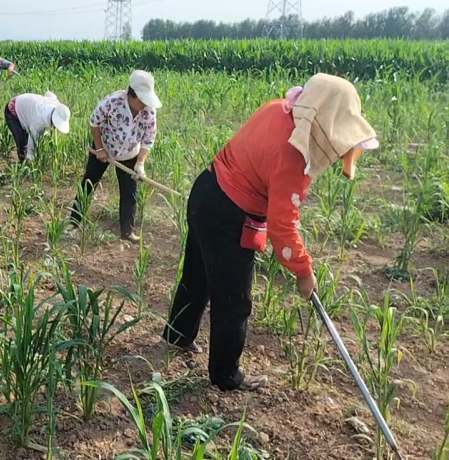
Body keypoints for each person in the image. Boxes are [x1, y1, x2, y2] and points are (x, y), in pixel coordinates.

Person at [162, 73, 379, 392]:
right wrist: (304, 271)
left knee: (197, 274)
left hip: (206, 191)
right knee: (234, 299)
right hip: (227, 215)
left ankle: (178, 335)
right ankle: (226, 376)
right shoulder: (294, 154)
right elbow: (283, 226)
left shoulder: (281, 107)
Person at [68, 70, 161, 244]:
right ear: (132, 95)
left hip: (130, 152)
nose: (145, 104)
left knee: (129, 192)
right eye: (142, 100)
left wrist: (140, 163)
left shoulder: (149, 111)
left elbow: (149, 138)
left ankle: (127, 232)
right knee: (89, 183)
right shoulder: (112, 102)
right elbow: (94, 123)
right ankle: (74, 222)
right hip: (105, 146)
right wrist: (100, 148)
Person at [4, 91, 71, 163]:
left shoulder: (57, 105)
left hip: (26, 105)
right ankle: (23, 166)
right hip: (12, 110)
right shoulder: (38, 122)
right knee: (22, 142)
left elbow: (49, 93)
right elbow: (31, 145)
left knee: (35, 138)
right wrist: (31, 160)